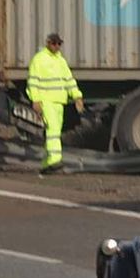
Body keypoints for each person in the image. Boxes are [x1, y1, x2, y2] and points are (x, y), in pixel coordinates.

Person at [26, 32, 83, 174]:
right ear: (48, 43)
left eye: (59, 44)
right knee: (53, 129)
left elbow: (69, 80)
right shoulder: (39, 59)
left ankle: (46, 163)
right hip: (46, 101)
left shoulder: (61, 61)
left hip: (59, 102)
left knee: (55, 130)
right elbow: (33, 81)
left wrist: (77, 96)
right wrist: (35, 100)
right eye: (54, 43)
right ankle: (55, 160)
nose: (57, 46)